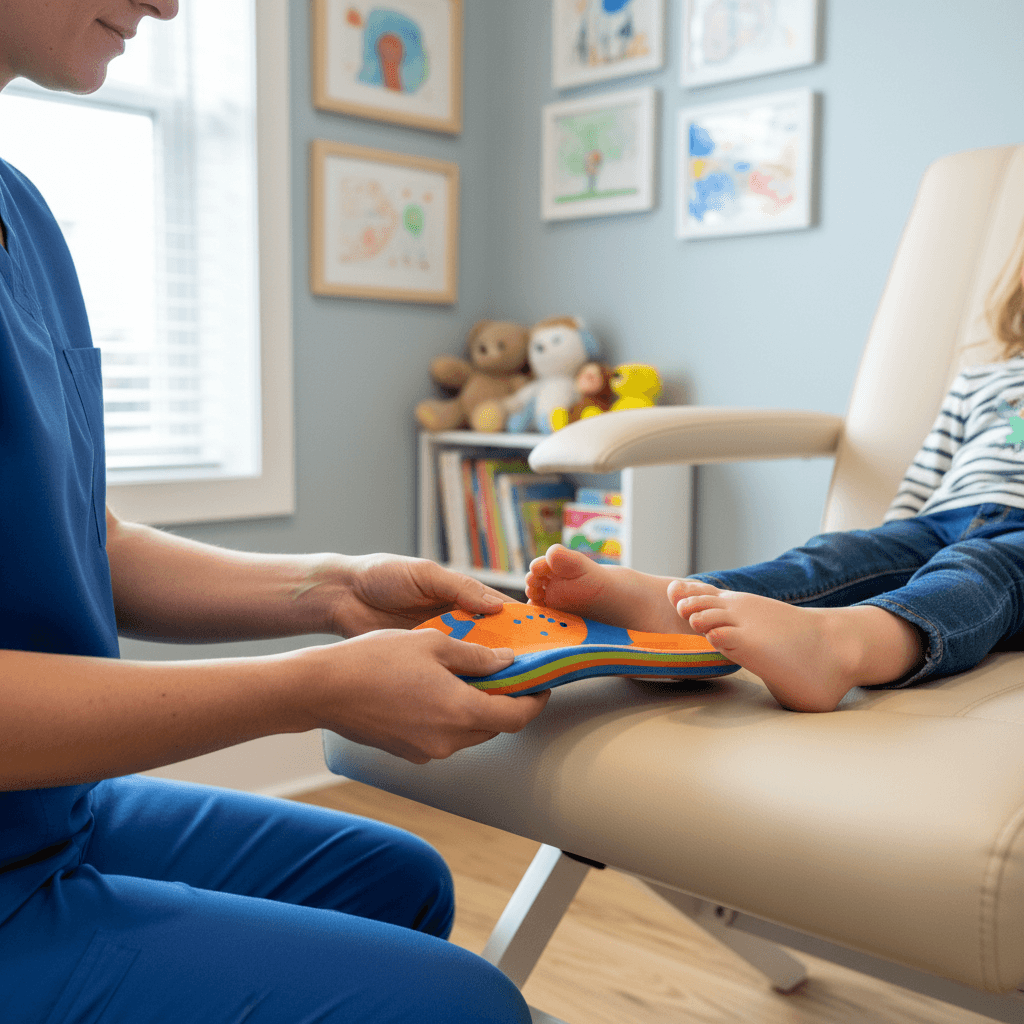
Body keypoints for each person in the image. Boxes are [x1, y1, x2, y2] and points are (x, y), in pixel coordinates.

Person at [0, 3, 548, 1022]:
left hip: (38, 806)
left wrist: (333, 589)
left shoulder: (19, 212)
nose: (169, 3)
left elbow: (87, 540)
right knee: (463, 1006)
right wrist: (313, 688)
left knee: (398, 882)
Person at [527, 223, 1024, 715]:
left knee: (976, 572)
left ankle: (842, 647)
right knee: (835, 555)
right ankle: (678, 607)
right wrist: (893, 537)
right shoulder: (982, 382)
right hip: (940, 519)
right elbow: (925, 477)